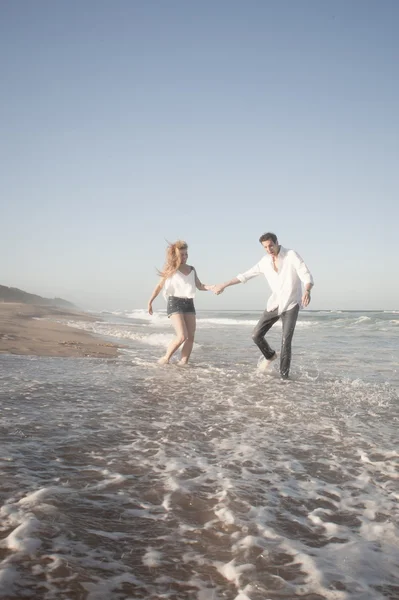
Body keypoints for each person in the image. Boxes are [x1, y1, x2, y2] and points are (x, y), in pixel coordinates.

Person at [213, 232, 314, 379]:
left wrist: (307, 290)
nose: (269, 249)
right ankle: (270, 355)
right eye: (265, 247)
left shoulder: (291, 255)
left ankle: (284, 378)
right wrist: (224, 284)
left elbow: (305, 273)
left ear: (277, 242)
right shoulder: (264, 261)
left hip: (291, 304)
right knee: (256, 335)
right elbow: (245, 275)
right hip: (275, 303)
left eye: (271, 245)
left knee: (286, 341)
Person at [148, 240, 214, 365]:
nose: (184, 257)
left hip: (189, 303)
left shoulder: (192, 269)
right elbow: (159, 286)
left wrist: (212, 287)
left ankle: (183, 364)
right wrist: (150, 301)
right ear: (175, 255)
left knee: (190, 337)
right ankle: (165, 358)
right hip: (175, 303)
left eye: (186, 254)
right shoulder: (171, 269)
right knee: (182, 336)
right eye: (181, 255)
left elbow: (199, 285)